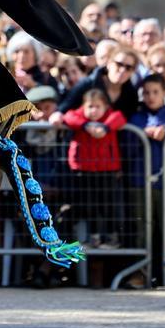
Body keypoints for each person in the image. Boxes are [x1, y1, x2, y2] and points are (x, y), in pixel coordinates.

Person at [123, 73, 165, 287]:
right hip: (140, 181)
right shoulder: (136, 118)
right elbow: (126, 148)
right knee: (142, 228)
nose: (151, 97)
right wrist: (142, 135)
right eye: (147, 93)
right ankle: (140, 273)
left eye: (156, 92)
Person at [62, 88, 126, 249]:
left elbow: (120, 118)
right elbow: (68, 116)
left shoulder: (110, 117)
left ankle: (112, 238)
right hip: (85, 170)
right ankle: (94, 238)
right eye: (90, 106)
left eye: (97, 106)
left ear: (105, 107)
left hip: (107, 170)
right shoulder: (80, 118)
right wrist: (85, 125)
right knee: (90, 206)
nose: (93, 110)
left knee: (108, 205)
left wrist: (105, 128)